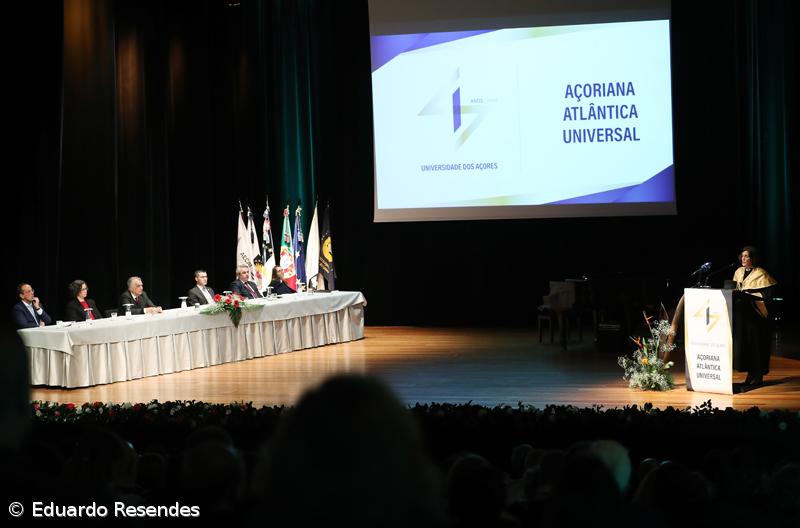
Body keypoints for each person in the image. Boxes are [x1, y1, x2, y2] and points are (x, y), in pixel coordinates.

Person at [732, 246, 777, 387]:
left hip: (756, 317)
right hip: (742, 317)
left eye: (747, 256)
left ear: (753, 258)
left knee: (757, 345)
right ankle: (750, 374)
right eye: (742, 256)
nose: (744, 259)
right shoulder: (738, 272)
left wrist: (751, 296)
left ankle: (758, 376)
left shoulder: (761, 274)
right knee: (746, 346)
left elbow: (768, 296)